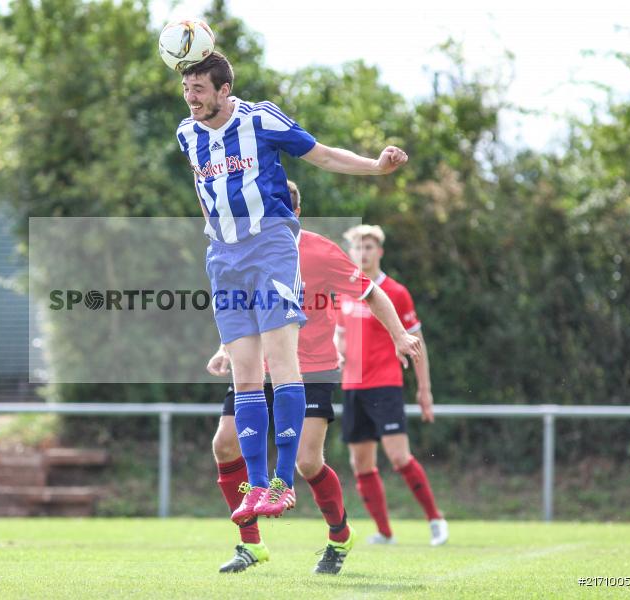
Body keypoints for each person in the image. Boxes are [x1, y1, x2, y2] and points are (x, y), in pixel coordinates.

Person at [175, 52, 409, 528]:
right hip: (223, 257)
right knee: (245, 375)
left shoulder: (259, 117)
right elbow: (207, 198)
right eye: (187, 89)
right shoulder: (187, 133)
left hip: (270, 247)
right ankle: (259, 487)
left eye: (199, 89)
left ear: (223, 90)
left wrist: (376, 167)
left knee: (281, 361)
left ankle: (282, 484)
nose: (191, 97)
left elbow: (321, 154)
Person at [207, 181, 422, 574]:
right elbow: (239, 308)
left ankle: (339, 535)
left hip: (310, 369)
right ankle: (250, 544)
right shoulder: (242, 249)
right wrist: (226, 348)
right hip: (257, 368)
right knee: (225, 444)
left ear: (294, 214)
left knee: (307, 462)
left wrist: (399, 334)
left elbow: (372, 292)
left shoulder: (320, 252)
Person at [335, 225, 448, 546]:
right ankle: (385, 532)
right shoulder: (344, 289)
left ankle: (435, 519)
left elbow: (417, 341)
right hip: (353, 387)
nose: (363, 252)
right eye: (358, 247)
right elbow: (340, 333)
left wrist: (424, 389)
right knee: (361, 463)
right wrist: (336, 351)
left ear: (380, 251)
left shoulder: (395, 292)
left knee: (399, 457)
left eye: (369, 246)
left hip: (385, 385)